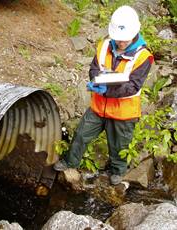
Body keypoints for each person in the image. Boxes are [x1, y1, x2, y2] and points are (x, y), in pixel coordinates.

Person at [54, 5, 154, 185]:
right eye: (118, 39)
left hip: (124, 113)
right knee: (81, 134)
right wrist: (95, 80)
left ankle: (118, 171)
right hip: (98, 107)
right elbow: (94, 68)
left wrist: (107, 90)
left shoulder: (143, 56)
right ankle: (70, 161)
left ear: (134, 33)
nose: (121, 42)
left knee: (119, 145)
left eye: (125, 39)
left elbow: (133, 86)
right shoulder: (104, 45)